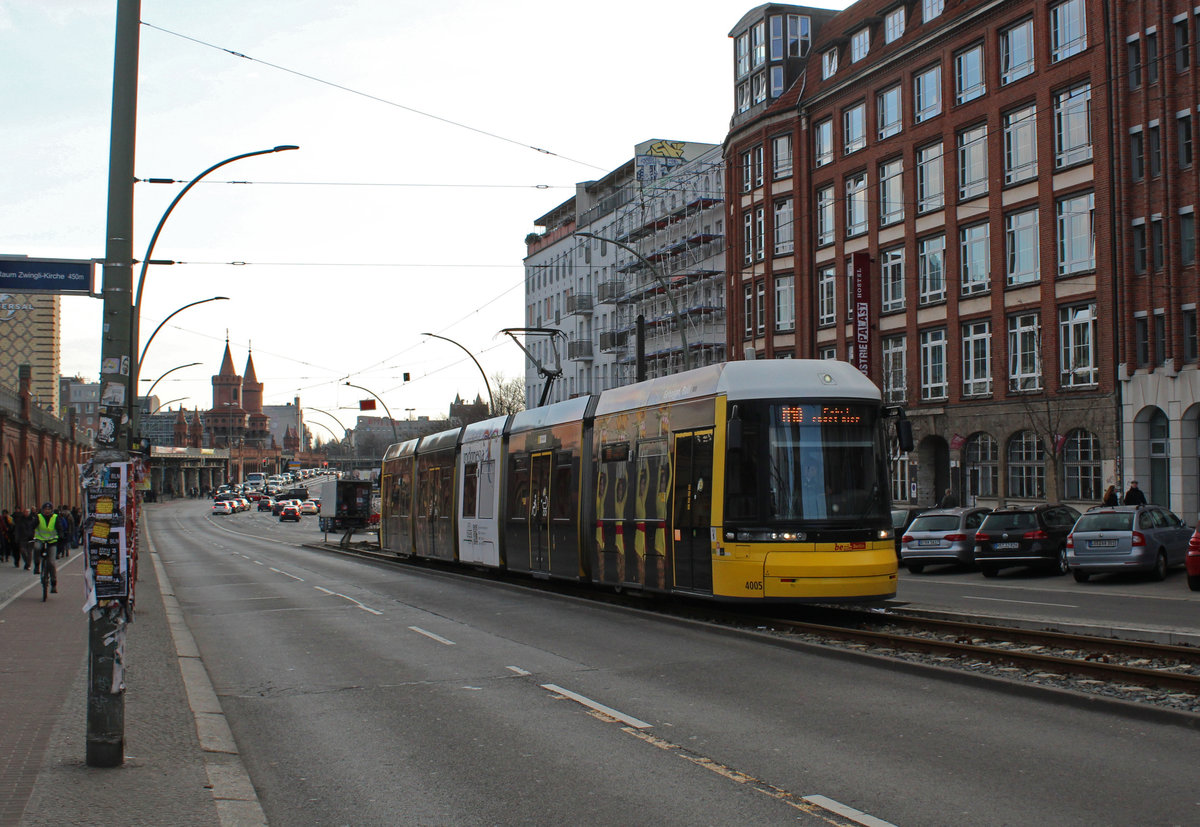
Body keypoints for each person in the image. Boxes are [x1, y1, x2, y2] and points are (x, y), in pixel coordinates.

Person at [31, 502, 58, 592]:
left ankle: (53, 583)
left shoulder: (55, 517)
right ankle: (36, 565)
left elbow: (60, 528)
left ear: (51, 510)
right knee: (36, 548)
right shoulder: (38, 517)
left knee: (51, 562)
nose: (47, 511)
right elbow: (32, 526)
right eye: (45, 509)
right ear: (43, 510)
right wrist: (30, 535)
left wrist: (61, 535)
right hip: (40, 540)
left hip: (52, 542)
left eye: (49, 509)